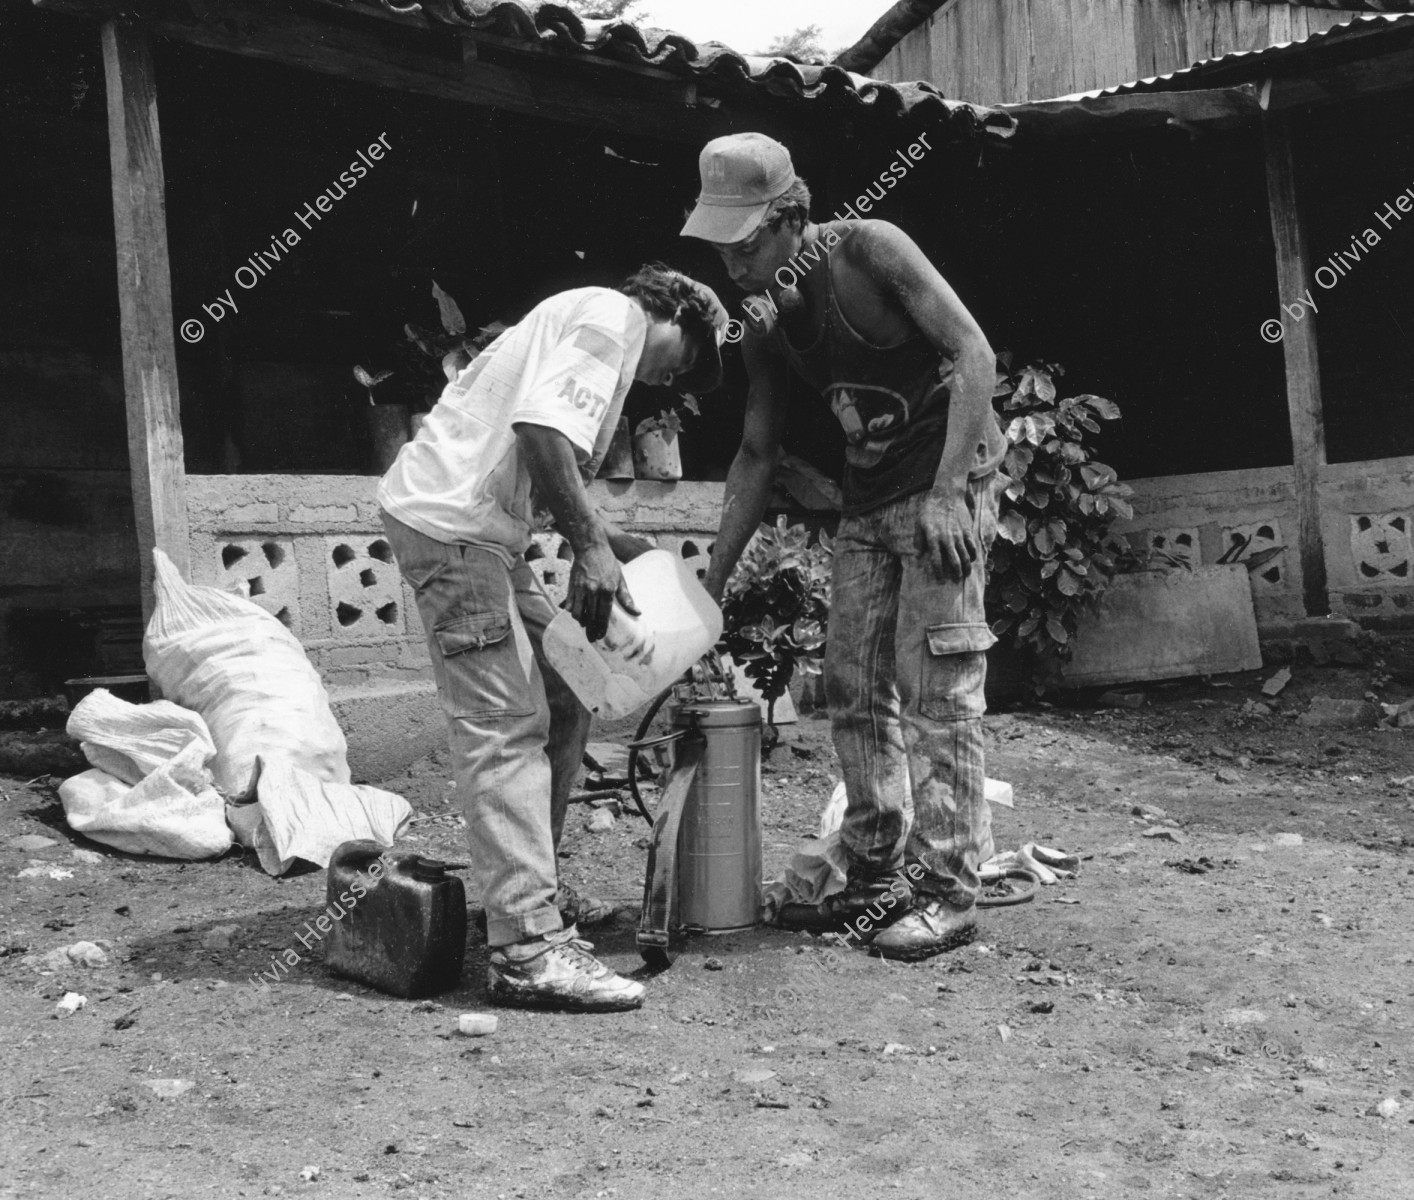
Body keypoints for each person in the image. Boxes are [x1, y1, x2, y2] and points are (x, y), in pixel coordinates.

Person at [681, 133, 1006, 961]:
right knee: (852, 687)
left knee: (938, 686)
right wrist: (709, 582)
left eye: (746, 243)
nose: (734, 266)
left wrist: (946, 494)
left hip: (944, 479)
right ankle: (870, 876)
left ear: (793, 218)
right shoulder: (762, 326)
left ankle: (948, 891)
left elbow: (972, 352)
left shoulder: (870, 251)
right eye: (720, 248)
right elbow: (756, 455)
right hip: (867, 500)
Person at [378, 265, 728, 1010]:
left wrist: (603, 536)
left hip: (480, 535)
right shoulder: (614, 319)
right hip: (457, 533)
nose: (670, 377)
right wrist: (592, 549)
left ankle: (534, 893)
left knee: (568, 688)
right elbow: (542, 432)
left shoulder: (581, 314)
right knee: (507, 725)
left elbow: (540, 447)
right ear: (678, 317)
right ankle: (527, 948)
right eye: (686, 359)